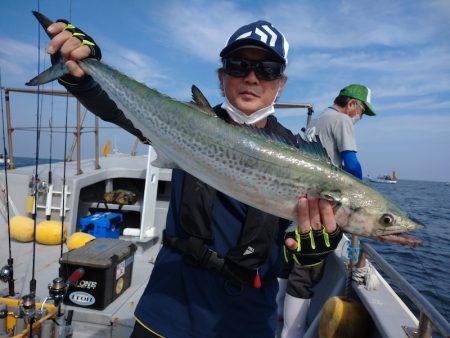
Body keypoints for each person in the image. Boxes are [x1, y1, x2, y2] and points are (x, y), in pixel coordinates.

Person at [45, 18, 341, 338]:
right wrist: (85, 75)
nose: (252, 78)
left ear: (281, 83)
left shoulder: (298, 155)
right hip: (169, 305)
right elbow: (119, 108)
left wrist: (318, 247)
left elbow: (315, 228)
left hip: (247, 317)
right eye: (238, 65)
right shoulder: (184, 123)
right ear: (221, 76)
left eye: (267, 69)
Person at [277, 84, 376, 338]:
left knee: (289, 261)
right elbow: (351, 164)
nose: (359, 117)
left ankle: (277, 314)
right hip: (319, 207)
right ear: (352, 104)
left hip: (297, 199)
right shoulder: (342, 120)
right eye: (361, 111)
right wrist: (361, 198)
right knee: (307, 269)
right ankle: (293, 332)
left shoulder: (320, 119)